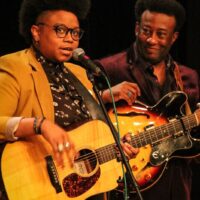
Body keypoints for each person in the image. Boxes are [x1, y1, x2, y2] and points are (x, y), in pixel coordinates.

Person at [0, 0, 137, 199]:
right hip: (36, 185)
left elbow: (89, 137)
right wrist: (40, 125)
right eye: (60, 30)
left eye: (75, 32)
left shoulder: (80, 74)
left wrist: (118, 149)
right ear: (36, 32)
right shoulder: (15, 67)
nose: (70, 40)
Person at [95, 0, 200, 199]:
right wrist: (104, 96)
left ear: (174, 37)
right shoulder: (109, 69)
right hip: (130, 185)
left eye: (161, 34)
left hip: (176, 185)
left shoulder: (187, 77)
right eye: (146, 31)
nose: (151, 40)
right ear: (136, 29)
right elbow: (83, 119)